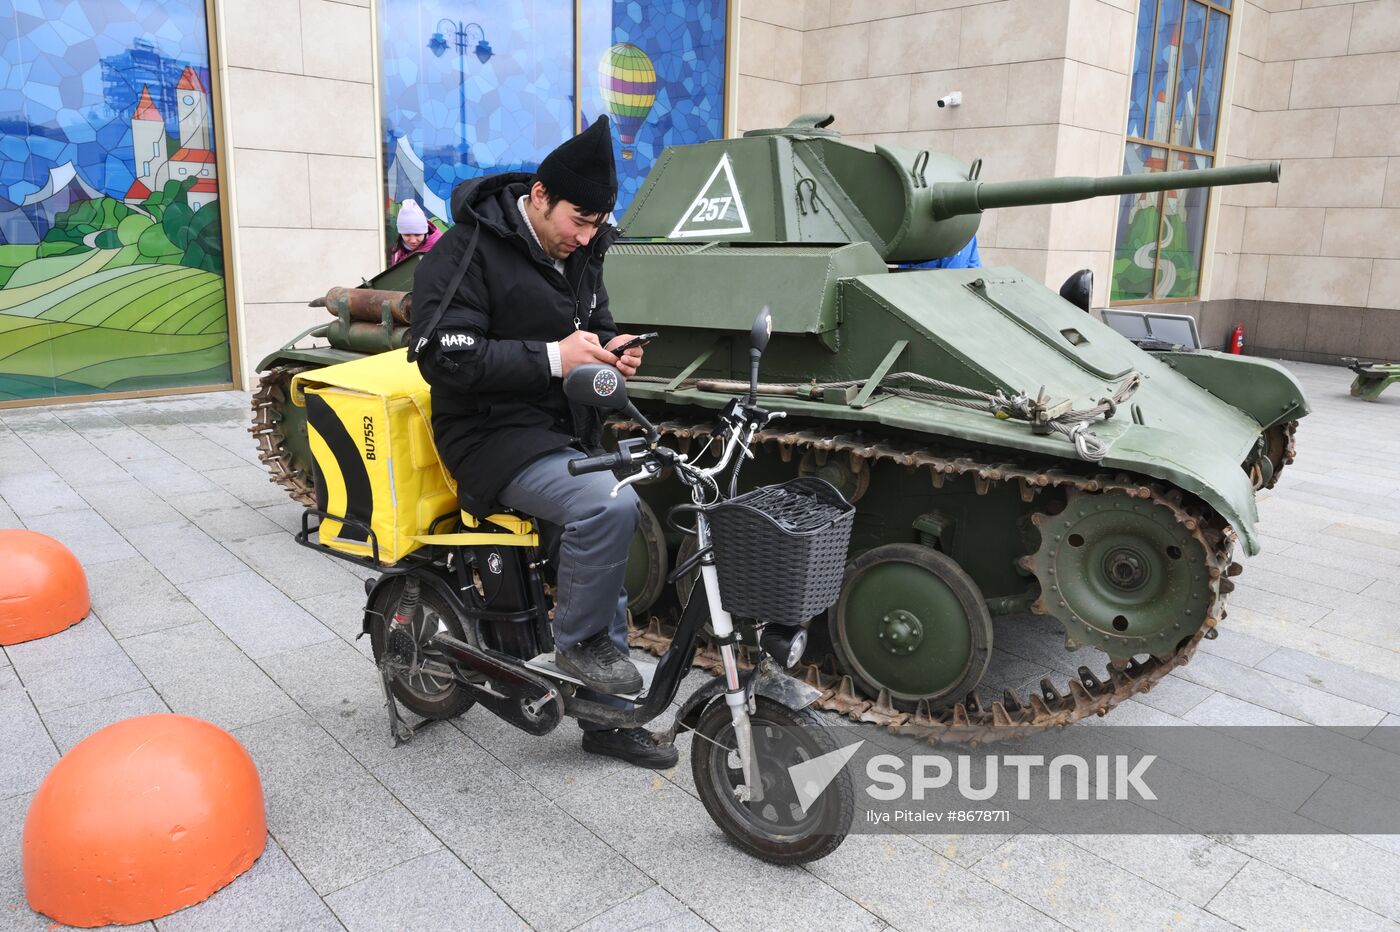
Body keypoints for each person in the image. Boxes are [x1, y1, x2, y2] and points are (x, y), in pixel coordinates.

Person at [410, 116, 676, 769]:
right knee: (605, 504)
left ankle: (607, 719)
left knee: (609, 537)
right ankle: (578, 648)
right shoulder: (467, 249)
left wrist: (613, 354)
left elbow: (598, 325)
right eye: (578, 222)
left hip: (559, 430)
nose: (586, 238)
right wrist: (554, 358)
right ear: (538, 196)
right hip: (487, 434)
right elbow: (443, 357)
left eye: (596, 225)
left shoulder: (580, 250)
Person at [390, 199, 442, 264]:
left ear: (425, 232)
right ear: (400, 234)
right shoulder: (397, 251)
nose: (413, 241)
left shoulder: (440, 249)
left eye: (417, 235)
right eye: (407, 235)